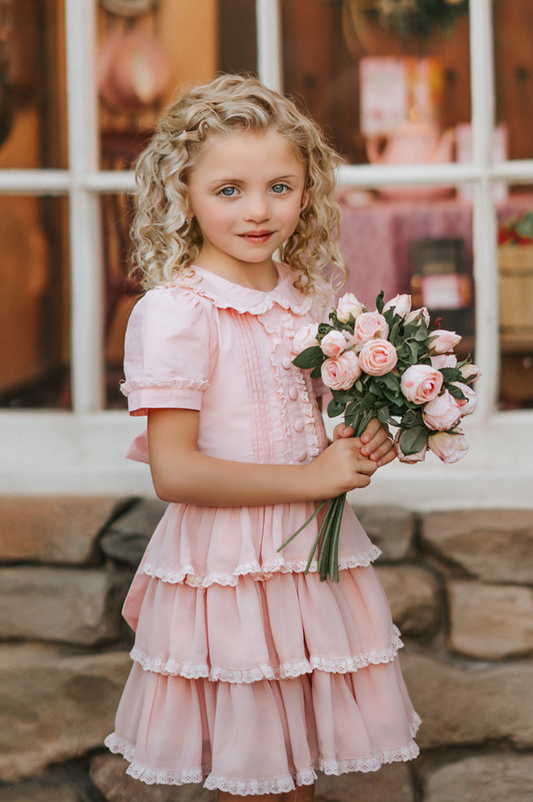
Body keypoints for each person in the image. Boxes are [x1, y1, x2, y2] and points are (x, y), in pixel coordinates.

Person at [105, 74, 420, 801]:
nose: (257, 211)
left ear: (309, 189)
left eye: (280, 186)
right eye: (228, 191)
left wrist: (363, 436)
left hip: (307, 563)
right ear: (181, 191)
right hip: (228, 573)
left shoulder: (307, 296)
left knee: (297, 775)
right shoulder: (175, 313)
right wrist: (313, 479)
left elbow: (313, 421)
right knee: (256, 780)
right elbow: (175, 474)